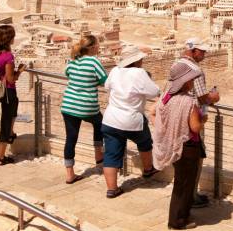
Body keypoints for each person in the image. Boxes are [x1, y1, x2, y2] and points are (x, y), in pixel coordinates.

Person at [101, 45, 161, 199]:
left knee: (111, 154)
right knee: (145, 141)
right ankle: (148, 169)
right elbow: (154, 92)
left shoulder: (115, 71)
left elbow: (107, 86)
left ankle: (112, 189)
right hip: (131, 119)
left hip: (111, 119)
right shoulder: (138, 73)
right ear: (136, 60)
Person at [153, 61, 204, 230]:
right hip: (187, 146)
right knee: (185, 184)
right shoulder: (188, 102)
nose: (192, 83)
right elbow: (195, 127)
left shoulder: (166, 98)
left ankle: (181, 215)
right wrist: (202, 118)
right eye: (190, 80)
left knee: (180, 182)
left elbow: (153, 113)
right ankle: (177, 221)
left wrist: (165, 131)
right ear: (184, 82)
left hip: (172, 144)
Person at [177, 38, 220, 208]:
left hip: (178, 115)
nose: (204, 54)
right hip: (193, 118)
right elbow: (202, 98)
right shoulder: (196, 70)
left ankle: (184, 193)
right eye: (201, 51)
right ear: (193, 51)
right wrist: (214, 97)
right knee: (195, 157)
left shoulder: (177, 65)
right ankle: (191, 196)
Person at [60, 34, 107, 184]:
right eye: (98, 45)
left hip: (68, 104)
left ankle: (70, 174)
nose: (99, 47)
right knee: (99, 122)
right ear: (93, 47)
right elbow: (104, 80)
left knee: (71, 138)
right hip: (86, 105)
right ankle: (98, 154)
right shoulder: (93, 61)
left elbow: (67, 73)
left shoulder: (73, 60)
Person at [0, 25, 25, 167]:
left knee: (11, 112)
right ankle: (1, 156)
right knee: (6, 120)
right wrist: (20, 70)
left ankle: (10, 132)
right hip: (8, 91)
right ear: (9, 38)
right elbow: (11, 79)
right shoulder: (8, 56)